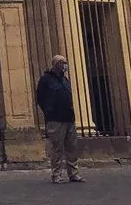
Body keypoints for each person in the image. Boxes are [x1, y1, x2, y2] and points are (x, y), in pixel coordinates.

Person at [36, 55, 84, 184]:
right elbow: (39, 97)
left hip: (69, 117)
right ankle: (56, 174)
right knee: (57, 147)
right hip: (55, 119)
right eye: (62, 63)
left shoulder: (65, 79)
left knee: (72, 147)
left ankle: (74, 173)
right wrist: (48, 111)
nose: (65, 65)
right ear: (56, 64)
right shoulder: (46, 80)